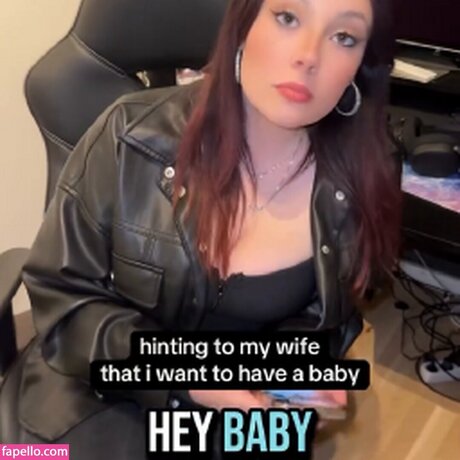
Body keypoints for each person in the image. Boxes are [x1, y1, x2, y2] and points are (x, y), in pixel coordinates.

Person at [5, 0, 401, 457]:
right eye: (288, 17)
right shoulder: (129, 135)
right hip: (97, 392)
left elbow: (327, 318)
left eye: (344, 37)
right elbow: (65, 303)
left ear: (361, 63)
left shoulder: (363, 178)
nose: (309, 56)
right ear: (244, 24)